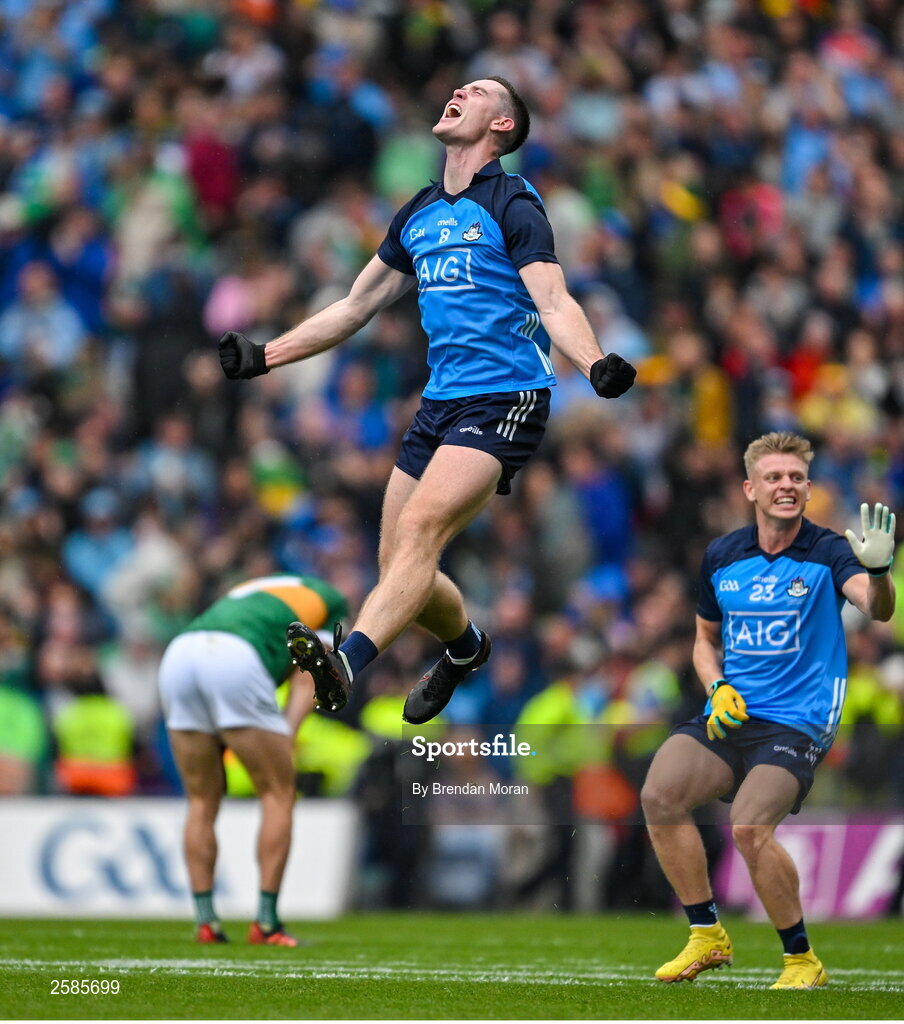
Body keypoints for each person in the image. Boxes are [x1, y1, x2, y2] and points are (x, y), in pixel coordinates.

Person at [218, 76, 636, 724]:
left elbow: (554, 299)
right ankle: (465, 648)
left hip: (505, 398)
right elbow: (357, 305)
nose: (459, 92)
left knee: (418, 532)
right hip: (440, 405)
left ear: (502, 126)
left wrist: (594, 362)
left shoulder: (513, 202)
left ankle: (346, 660)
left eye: (479, 91)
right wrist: (265, 356)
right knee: (399, 566)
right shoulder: (419, 211)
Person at [640, 431, 896, 989]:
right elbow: (704, 642)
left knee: (749, 827)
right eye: (775, 477)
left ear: (808, 487)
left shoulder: (828, 551)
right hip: (735, 712)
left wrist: (879, 574)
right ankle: (706, 935)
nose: (787, 486)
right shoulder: (722, 555)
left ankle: (802, 959)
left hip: (799, 718)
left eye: (797, 477)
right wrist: (716, 688)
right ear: (749, 488)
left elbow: (876, 611)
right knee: (659, 794)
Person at [158, 573, 348, 944]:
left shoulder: (255, 589)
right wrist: (287, 734)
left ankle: (206, 921)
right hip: (235, 658)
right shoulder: (331, 599)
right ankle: (265, 922)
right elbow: (311, 675)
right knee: (279, 792)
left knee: (201, 799)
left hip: (179, 655)